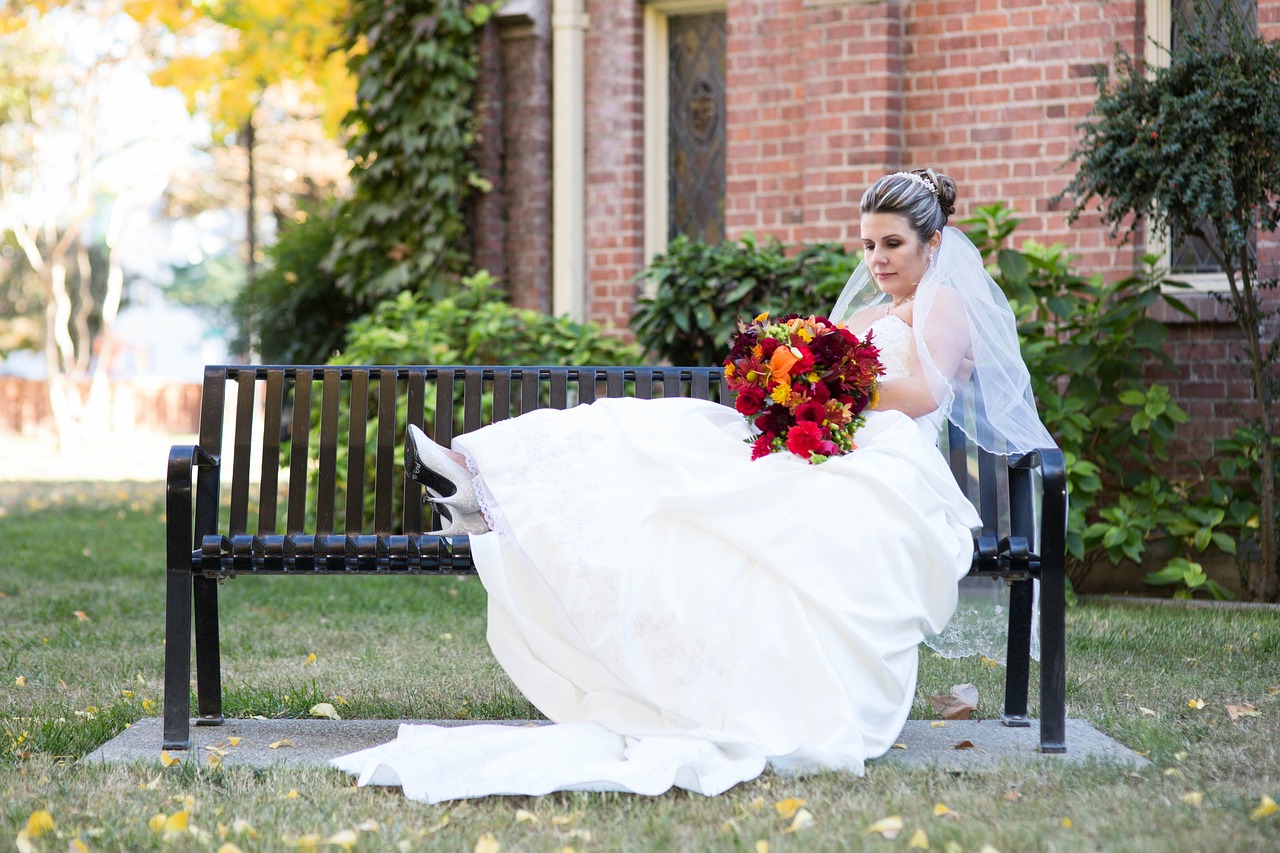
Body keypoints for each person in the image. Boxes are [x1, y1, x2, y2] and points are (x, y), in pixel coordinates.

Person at [331, 169, 1056, 803]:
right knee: (661, 434)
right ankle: (485, 483)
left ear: (931, 243)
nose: (876, 258)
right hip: (827, 447)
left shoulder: (943, 305)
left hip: (889, 466)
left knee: (717, 501)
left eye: (891, 244)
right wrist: (795, 386)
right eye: (867, 244)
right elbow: (830, 376)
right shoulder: (865, 311)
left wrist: (832, 385)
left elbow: (925, 391)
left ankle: (499, 503)